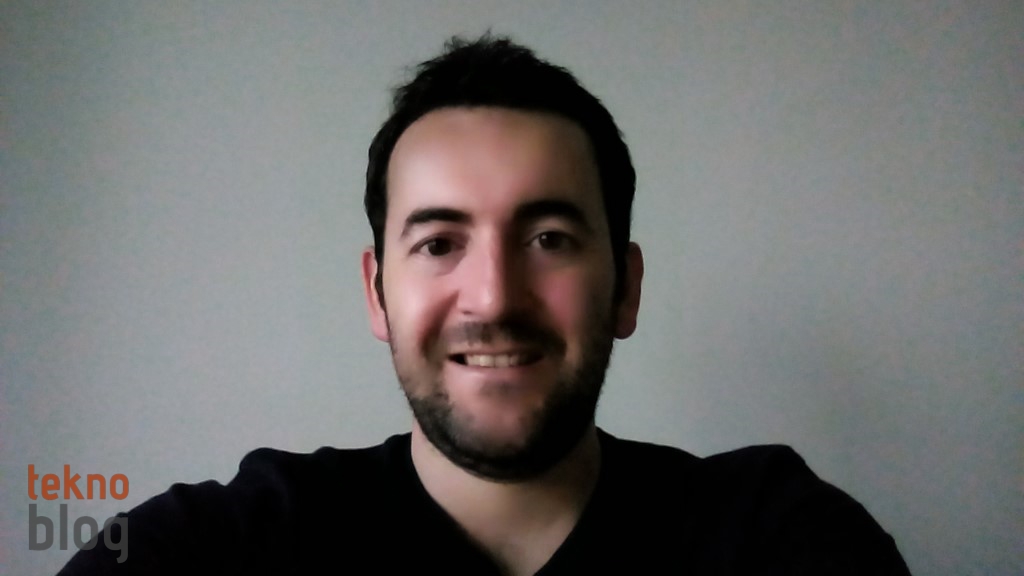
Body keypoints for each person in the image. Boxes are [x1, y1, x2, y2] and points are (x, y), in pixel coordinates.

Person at [59, 35, 911, 575]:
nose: (495, 296)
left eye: (549, 238)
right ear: (377, 294)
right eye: (439, 243)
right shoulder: (223, 546)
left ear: (626, 287)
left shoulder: (776, 537)